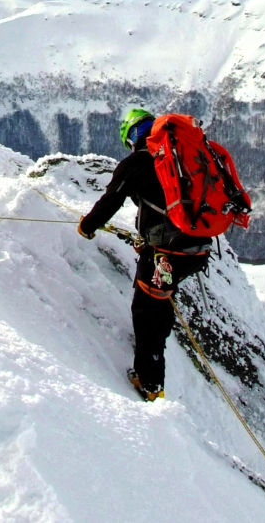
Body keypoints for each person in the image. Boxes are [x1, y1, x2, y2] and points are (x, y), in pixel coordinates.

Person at [77, 107, 212, 401]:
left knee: (145, 311)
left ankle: (151, 386)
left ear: (131, 137)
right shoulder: (181, 155)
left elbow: (109, 202)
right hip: (198, 248)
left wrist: (86, 227)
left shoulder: (136, 163)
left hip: (167, 253)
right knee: (159, 297)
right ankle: (157, 341)